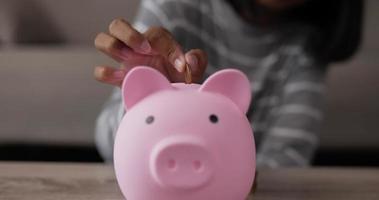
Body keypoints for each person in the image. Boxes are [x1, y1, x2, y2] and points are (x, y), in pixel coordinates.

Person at [93, 0, 363, 168]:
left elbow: (288, 162)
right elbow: (107, 141)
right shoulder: (175, 6)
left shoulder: (306, 47)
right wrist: (143, 105)